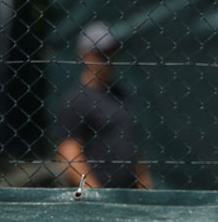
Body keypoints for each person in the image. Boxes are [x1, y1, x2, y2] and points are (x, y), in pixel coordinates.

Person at [56, 21, 153, 189]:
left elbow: (133, 148)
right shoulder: (76, 100)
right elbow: (69, 152)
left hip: (129, 193)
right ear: (84, 54)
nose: (108, 59)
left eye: (112, 52)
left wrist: (145, 186)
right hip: (98, 196)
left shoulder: (122, 95)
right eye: (101, 53)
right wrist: (96, 193)